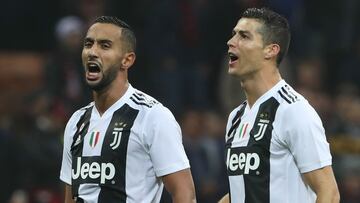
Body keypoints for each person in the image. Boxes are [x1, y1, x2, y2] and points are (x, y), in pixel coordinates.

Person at [59, 16, 196, 203]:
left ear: (127, 60)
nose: (92, 51)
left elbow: (184, 194)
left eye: (104, 46)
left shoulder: (153, 116)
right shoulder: (76, 122)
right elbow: (71, 197)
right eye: (88, 44)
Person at [219, 8, 340, 203]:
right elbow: (242, 190)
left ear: (271, 50)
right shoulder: (236, 117)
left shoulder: (293, 111)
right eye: (234, 34)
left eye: (244, 36)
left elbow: (329, 193)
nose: (231, 42)